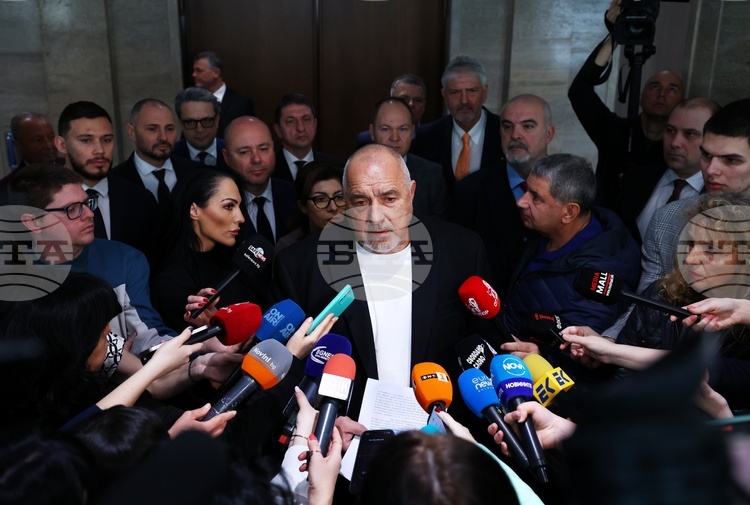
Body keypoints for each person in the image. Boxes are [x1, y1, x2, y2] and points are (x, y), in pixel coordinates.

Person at [273, 143, 499, 423]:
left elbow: (483, 347)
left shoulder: (463, 250)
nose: (375, 217)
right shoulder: (299, 266)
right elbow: (287, 369)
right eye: (360, 202)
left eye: (389, 198)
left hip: (441, 432)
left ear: (411, 193)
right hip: (343, 434)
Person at [563, 195, 750, 411]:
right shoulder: (662, 293)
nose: (690, 259)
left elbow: (708, 373)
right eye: (690, 244)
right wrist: (599, 356)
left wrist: (611, 351)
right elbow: (622, 377)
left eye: (711, 250)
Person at [499, 153, 641, 383]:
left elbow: (583, 362)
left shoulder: (599, 279)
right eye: (526, 190)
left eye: (536, 197)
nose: (521, 201)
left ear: (569, 212)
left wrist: (543, 356)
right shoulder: (544, 231)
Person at [7, 165, 175, 358]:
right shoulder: (15, 278)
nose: (89, 214)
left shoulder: (125, 259)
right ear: (33, 222)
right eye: (72, 209)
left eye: (87, 203)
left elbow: (146, 333)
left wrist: (186, 349)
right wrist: (113, 359)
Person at [568, 0, 683, 208]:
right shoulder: (615, 132)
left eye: (672, 89)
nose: (662, 94)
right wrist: (615, 36)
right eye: (655, 86)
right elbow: (579, 91)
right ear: (641, 96)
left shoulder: (680, 147)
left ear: (682, 101)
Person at [449, 94, 554, 296]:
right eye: (507, 127)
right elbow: (456, 261)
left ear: (549, 134)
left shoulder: (570, 188)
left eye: (527, 126)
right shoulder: (468, 191)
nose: (515, 135)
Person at [151, 170, 266, 331]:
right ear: (194, 210)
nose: (241, 218)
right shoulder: (171, 282)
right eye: (228, 206)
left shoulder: (242, 261)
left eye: (239, 206)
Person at [54, 101, 160, 263]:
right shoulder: (41, 202)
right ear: (62, 145)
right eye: (86, 140)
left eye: (107, 140)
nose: (100, 150)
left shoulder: (140, 200)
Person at [617, 98, 719, 243]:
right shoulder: (634, 179)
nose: (675, 142)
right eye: (670, 131)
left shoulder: (721, 196)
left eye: (690, 134)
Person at [411, 55, 502, 187]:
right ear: (444, 95)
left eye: (472, 91)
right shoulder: (426, 136)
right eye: (455, 92)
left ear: (484, 92)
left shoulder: (504, 132)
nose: (464, 100)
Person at [110, 98, 201, 224]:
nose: (163, 137)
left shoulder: (197, 173)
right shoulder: (114, 182)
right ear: (132, 132)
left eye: (169, 129)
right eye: (152, 129)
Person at [369, 97, 449, 217]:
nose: (395, 137)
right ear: (372, 132)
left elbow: (440, 226)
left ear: (412, 132)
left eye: (403, 129)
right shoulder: (354, 172)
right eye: (386, 129)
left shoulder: (433, 175)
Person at [222, 116, 296, 245]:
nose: (256, 159)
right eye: (244, 152)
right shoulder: (219, 206)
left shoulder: (295, 195)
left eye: (263, 149)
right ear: (227, 157)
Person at [275, 161, 345, 253]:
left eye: (339, 197)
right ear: (303, 206)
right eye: (320, 199)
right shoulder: (288, 247)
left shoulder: (359, 239)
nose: (333, 207)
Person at [272, 93, 342, 182]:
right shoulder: (268, 171)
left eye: (306, 119)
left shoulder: (337, 168)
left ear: (315, 125)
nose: (301, 128)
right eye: (290, 121)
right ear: (278, 130)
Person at [355, 73, 428, 148]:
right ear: (391, 100)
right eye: (404, 99)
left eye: (418, 100)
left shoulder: (432, 138)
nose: (411, 104)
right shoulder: (365, 140)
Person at [192, 51, 255, 138]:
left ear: (216, 73)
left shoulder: (241, 104)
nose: (194, 75)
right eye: (194, 71)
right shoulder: (192, 102)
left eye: (199, 71)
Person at [173, 87, 229, 169]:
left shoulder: (232, 152)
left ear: (217, 120)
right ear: (180, 123)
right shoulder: (169, 157)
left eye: (206, 121)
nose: (200, 130)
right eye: (190, 122)